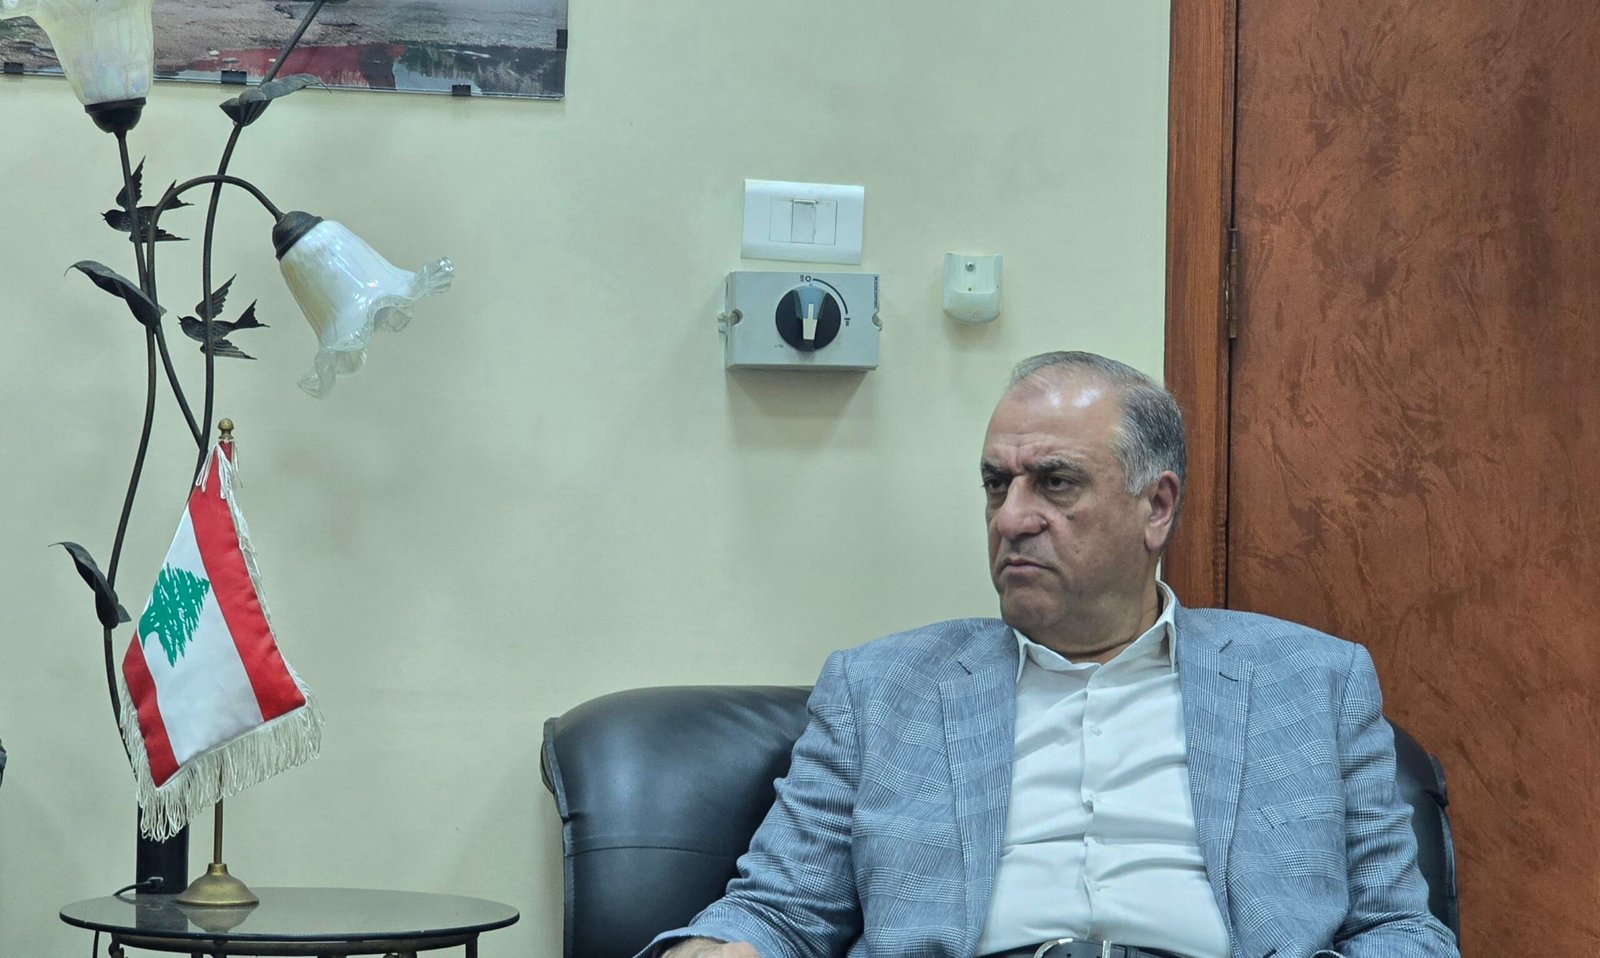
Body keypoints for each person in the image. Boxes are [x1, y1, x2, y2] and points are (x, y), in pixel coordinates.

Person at [647, 352, 1460, 958]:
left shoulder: (1313, 682)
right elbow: (780, 911)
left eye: (1055, 483)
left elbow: (1399, 929)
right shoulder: (880, 690)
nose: (1011, 518)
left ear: (1157, 506)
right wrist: (714, 950)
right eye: (996, 485)